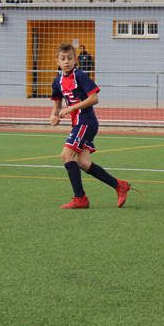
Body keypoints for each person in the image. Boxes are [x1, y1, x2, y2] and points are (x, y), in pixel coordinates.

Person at [49, 43, 131, 209]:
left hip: (86, 122)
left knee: (66, 156)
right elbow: (57, 105)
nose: (66, 62)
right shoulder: (57, 81)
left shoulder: (79, 75)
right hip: (78, 124)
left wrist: (72, 107)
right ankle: (119, 185)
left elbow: (94, 98)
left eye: (70, 58)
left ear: (75, 60)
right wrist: (54, 115)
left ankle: (80, 199)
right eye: (63, 59)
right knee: (84, 163)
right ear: (57, 61)